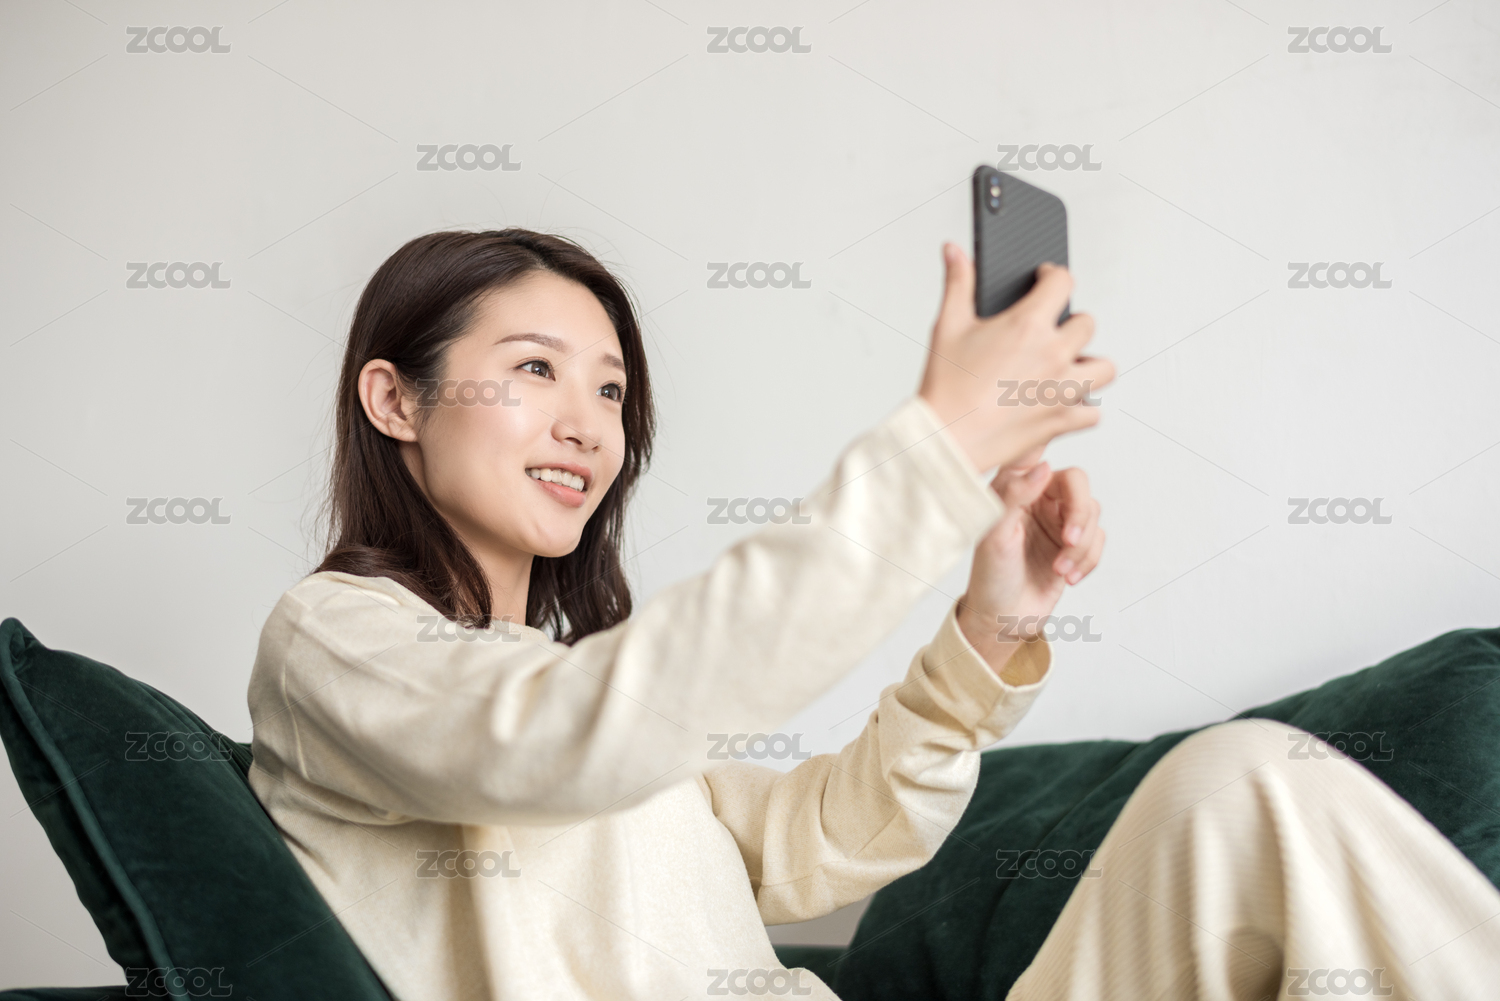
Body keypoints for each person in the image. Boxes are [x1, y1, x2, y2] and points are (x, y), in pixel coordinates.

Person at [246, 229, 1500, 1001]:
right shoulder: (339, 642)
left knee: (1250, 784)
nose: (589, 423)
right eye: (534, 368)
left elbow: (818, 841)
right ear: (394, 399)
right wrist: (937, 448)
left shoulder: (566, 682)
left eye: (612, 389)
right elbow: (575, 733)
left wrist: (988, 632)